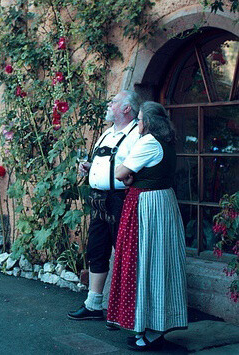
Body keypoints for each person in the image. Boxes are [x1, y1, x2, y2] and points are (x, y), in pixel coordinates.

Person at [107, 101, 187, 351]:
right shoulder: (166, 142)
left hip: (148, 206)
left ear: (149, 122)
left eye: (140, 119)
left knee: (145, 262)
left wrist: (128, 175)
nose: (138, 123)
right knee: (159, 263)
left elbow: (121, 172)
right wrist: (131, 175)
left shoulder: (149, 142)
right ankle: (154, 325)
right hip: (162, 202)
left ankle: (150, 329)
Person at [67, 90, 141, 322]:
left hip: (121, 201)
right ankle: (94, 304)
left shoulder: (137, 134)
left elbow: (135, 167)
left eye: (114, 102)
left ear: (127, 108)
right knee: (96, 250)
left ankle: (125, 309)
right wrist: (90, 168)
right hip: (98, 199)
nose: (109, 105)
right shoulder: (107, 133)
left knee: (125, 253)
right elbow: (111, 163)